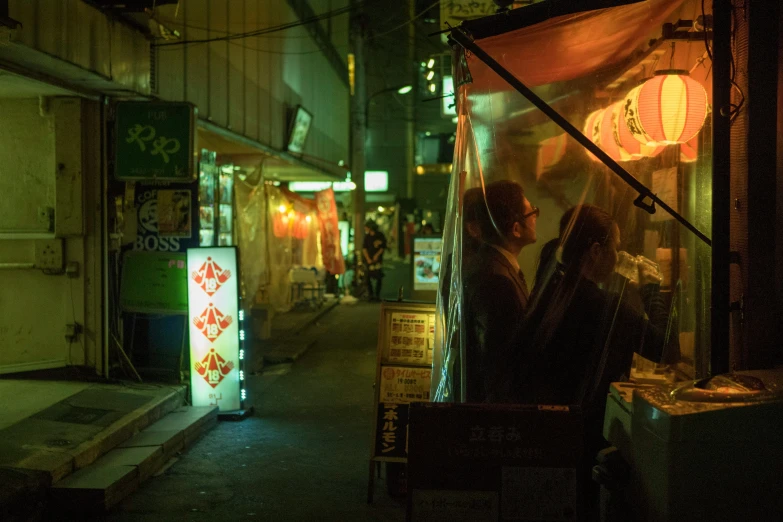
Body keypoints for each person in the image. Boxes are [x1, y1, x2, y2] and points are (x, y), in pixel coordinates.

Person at [518, 204, 679, 516]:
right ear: (595, 251)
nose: (618, 256)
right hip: (585, 439)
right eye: (615, 247)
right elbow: (666, 350)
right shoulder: (603, 306)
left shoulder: (550, 287)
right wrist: (652, 290)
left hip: (547, 432)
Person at [462, 180, 539, 403]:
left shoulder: (493, 266)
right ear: (515, 229)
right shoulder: (497, 279)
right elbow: (498, 358)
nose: (536, 216)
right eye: (532, 212)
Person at [362, 220, 386, 301]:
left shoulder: (380, 235)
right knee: (368, 277)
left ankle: (377, 295)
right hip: (369, 260)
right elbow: (364, 248)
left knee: (379, 277)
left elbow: (383, 247)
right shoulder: (367, 237)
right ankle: (371, 294)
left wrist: (377, 255)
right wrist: (368, 258)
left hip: (377, 260)